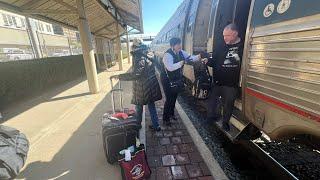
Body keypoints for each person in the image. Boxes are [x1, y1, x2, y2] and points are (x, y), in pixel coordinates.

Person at [203, 23, 243, 131]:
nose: (225, 38)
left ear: (235, 33)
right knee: (212, 101)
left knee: (228, 105)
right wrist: (208, 61)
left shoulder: (243, 47)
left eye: (227, 36)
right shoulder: (221, 45)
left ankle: (225, 122)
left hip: (231, 83)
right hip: (218, 81)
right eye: (224, 36)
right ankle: (210, 117)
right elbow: (214, 60)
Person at [116, 38, 162, 131]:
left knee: (139, 106)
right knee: (151, 105)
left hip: (142, 86)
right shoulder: (148, 53)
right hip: (151, 84)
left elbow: (136, 74)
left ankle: (137, 125)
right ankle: (156, 125)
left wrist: (120, 76)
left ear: (135, 46)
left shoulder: (139, 56)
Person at [160, 37, 200, 126]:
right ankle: (165, 118)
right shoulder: (167, 55)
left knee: (174, 97)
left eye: (180, 44)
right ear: (172, 46)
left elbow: (190, 58)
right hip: (167, 79)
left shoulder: (181, 52)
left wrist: (199, 57)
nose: (179, 46)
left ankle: (171, 113)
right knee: (169, 99)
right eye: (177, 44)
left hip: (176, 78)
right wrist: (181, 63)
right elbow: (170, 68)